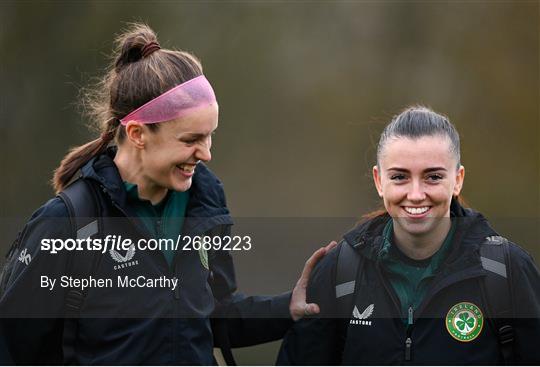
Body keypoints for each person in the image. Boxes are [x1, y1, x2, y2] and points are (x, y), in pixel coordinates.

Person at [0, 23, 334, 365]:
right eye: (190, 140)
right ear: (137, 133)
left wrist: (287, 307)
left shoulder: (206, 201)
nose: (206, 154)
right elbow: (12, 347)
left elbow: (214, 316)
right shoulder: (67, 221)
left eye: (209, 136)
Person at [277, 106, 540, 365]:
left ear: (457, 180)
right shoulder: (339, 273)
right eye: (400, 177)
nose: (415, 194)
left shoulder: (506, 272)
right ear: (380, 181)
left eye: (433, 177)